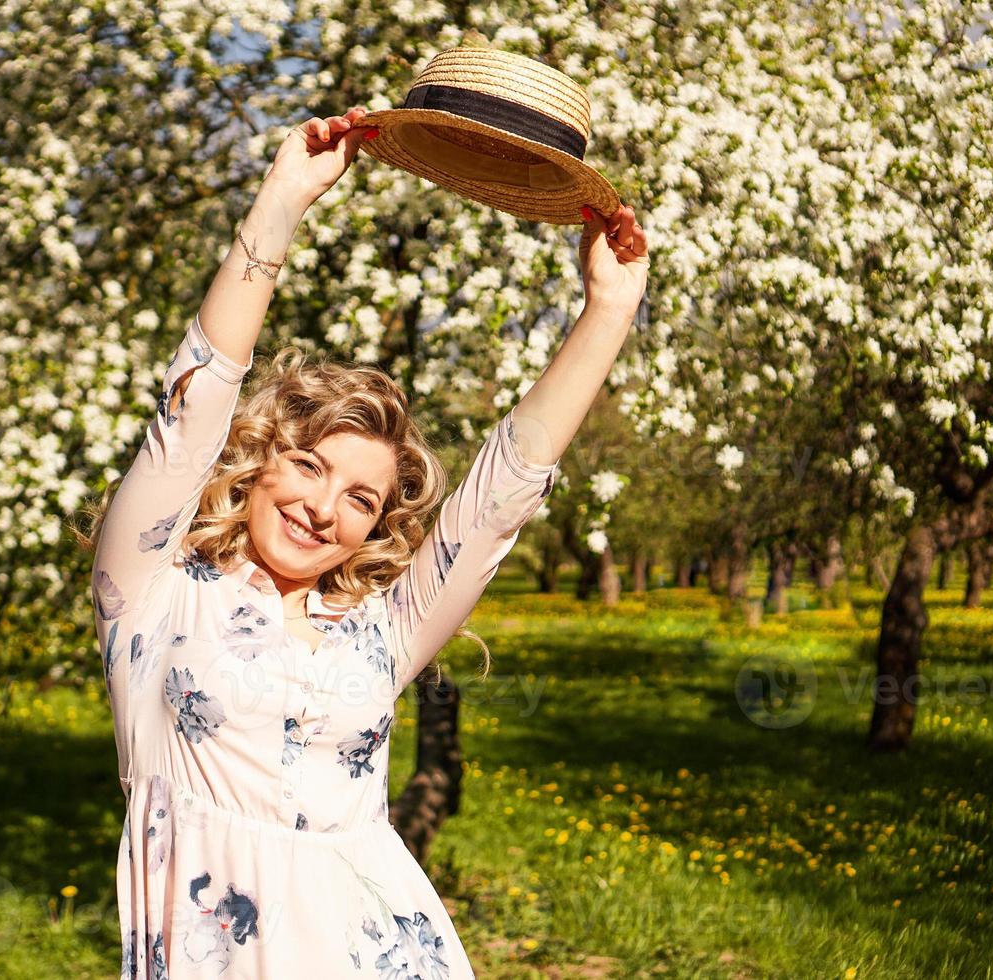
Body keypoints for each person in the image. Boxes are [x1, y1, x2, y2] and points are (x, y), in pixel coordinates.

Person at [87, 106, 649, 978]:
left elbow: (500, 497)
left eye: (359, 497)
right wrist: (282, 199)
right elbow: (190, 407)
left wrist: (607, 312)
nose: (323, 508)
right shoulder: (154, 590)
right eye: (308, 466)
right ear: (260, 460)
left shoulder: (380, 630)